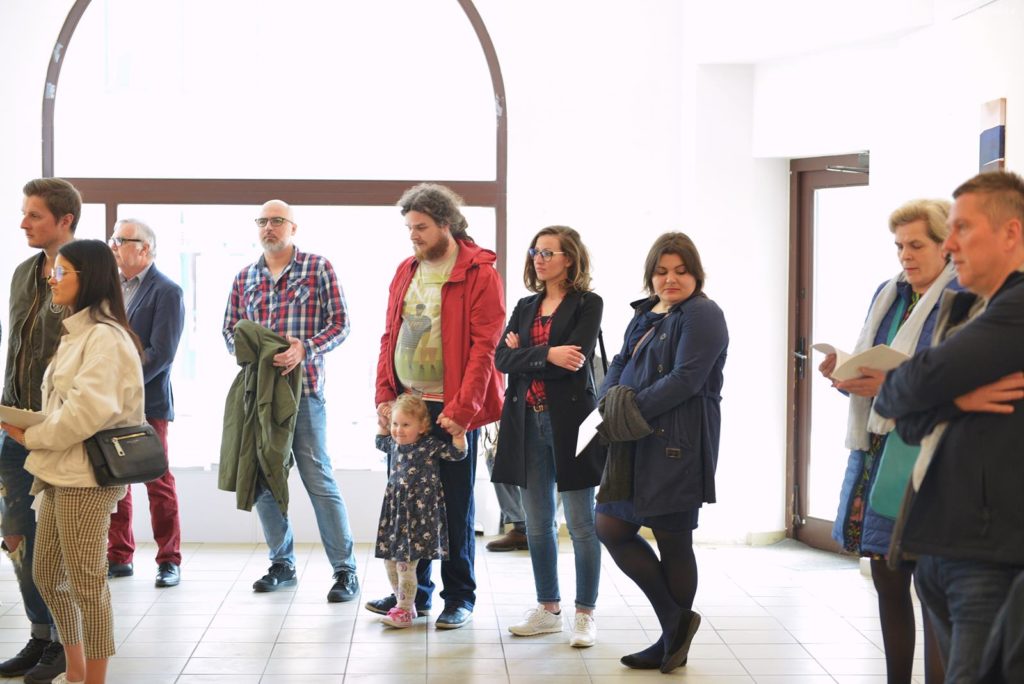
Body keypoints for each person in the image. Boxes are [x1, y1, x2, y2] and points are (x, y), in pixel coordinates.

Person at [875, 170, 1024, 684]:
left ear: (1011, 233)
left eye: (963, 228)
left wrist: (929, 393)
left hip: (986, 551)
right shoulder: (971, 308)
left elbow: (910, 383)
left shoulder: (1017, 308)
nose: (951, 244)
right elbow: (900, 409)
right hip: (945, 541)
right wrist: (957, 400)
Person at [819, 199, 956, 684]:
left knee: (935, 590)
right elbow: (875, 367)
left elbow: (959, 383)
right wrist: (846, 374)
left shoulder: (963, 297)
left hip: (933, 455)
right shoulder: (889, 293)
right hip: (879, 452)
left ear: (946, 245)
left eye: (916, 245)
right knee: (888, 579)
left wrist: (893, 385)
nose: (905, 256)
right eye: (899, 246)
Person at [1, 239, 146, 684]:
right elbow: (65, 407)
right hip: (60, 470)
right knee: (47, 575)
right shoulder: (77, 332)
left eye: (62, 271)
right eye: (53, 270)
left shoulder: (106, 338)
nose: (52, 278)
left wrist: (31, 436)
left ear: (90, 278)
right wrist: (25, 424)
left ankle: (93, 680)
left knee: (87, 583)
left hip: (87, 477)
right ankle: (76, 670)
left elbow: (86, 414)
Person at [369, 183, 505, 629]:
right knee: (411, 501)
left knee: (454, 506)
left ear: (446, 224)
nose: (413, 235)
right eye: (410, 228)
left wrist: (464, 409)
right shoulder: (405, 270)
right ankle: (414, 595)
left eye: (421, 227)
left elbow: (485, 348)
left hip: (452, 407)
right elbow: (389, 335)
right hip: (408, 403)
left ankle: (459, 597)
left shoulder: (479, 273)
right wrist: (384, 395)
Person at [595, 232, 728, 673]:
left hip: (677, 441)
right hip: (633, 436)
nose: (670, 279)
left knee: (673, 539)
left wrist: (628, 410)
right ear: (650, 276)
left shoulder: (703, 314)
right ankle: (675, 623)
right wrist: (607, 399)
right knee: (611, 525)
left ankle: (672, 640)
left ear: (696, 274)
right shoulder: (647, 311)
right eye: (662, 271)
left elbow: (687, 378)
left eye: (681, 271)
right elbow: (619, 360)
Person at [222, 199, 359, 603]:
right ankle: (282, 564)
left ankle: (345, 571)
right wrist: (252, 354)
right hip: (259, 397)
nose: (269, 227)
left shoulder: (317, 268)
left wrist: (305, 349)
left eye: (277, 220)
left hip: (306, 393)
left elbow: (341, 324)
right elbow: (229, 330)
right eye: (262, 221)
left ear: (293, 227)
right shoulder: (245, 277)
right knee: (264, 478)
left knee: (318, 479)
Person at [492, 226, 605, 647]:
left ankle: (585, 614)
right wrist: (546, 354)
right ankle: (548, 609)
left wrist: (527, 355)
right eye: (535, 252)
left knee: (581, 523)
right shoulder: (525, 306)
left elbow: (574, 360)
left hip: (572, 424)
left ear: (569, 258)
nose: (539, 259)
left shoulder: (588, 303)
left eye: (548, 252)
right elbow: (502, 359)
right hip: (526, 422)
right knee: (537, 525)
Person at [0, 178, 79, 684]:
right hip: (14, 426)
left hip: (59, 431)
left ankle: (66, 644)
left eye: (34, 215)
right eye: (24, 213)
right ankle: (40, 635)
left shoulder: (85, 273)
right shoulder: (24, 273)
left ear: (65, 220)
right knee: (17, 537)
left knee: (58, 546)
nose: (23, 223)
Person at [105, 219, 185, 588]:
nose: (113, 245)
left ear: (144, 248)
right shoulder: (109, 288)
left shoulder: (167, 291)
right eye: (113, 238)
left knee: (157, 480)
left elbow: (161, 353)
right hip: (107, 401)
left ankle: (169, 560)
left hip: (147, 401)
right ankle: (119, 555)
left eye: (121, 240)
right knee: (115, 479)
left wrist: (123, 385)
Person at [373, 394, 467, 628]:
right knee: (390, 562)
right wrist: (383, 423)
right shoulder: (394, 445)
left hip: (418, 517)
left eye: (406, 424)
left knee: (405, 564)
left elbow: (457, 454)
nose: (399, 430)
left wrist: (459, 436)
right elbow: (379, 441)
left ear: (423, 426)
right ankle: (404, 603)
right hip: (396, 514)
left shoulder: (429, 446)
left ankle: (404, 611)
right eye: (396, 424)